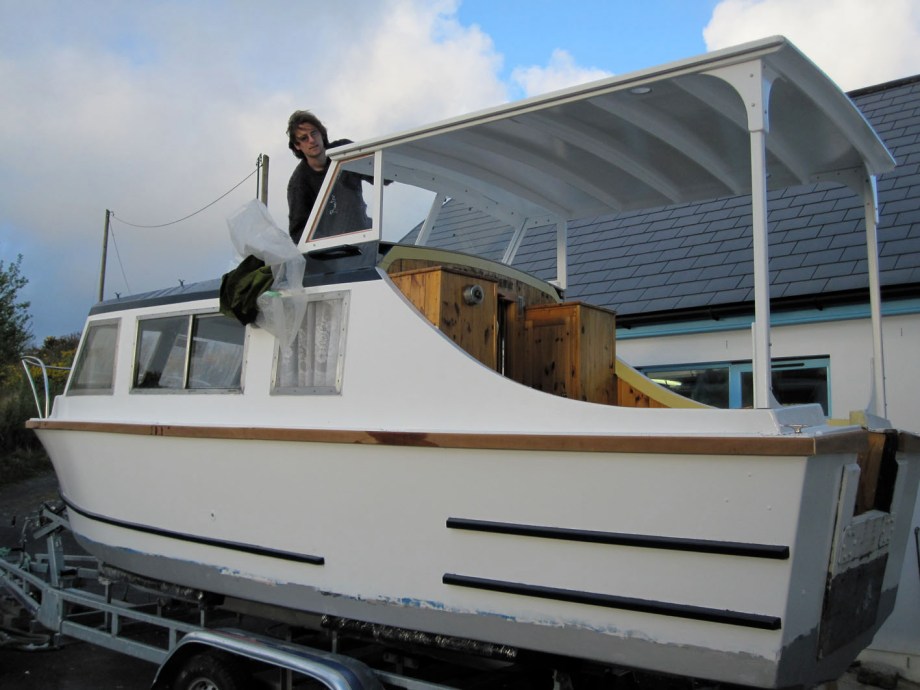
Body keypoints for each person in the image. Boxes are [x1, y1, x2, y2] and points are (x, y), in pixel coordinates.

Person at [286, 110, 370, 244]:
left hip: (365, 237)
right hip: (333, 251)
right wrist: (329, 246)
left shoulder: (344, 151)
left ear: (321, 133)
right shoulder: (299, 183)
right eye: (304, 138)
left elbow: (382, 173)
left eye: (314, 133)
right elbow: (298, 231)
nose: (312, 140)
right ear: (297, 146)